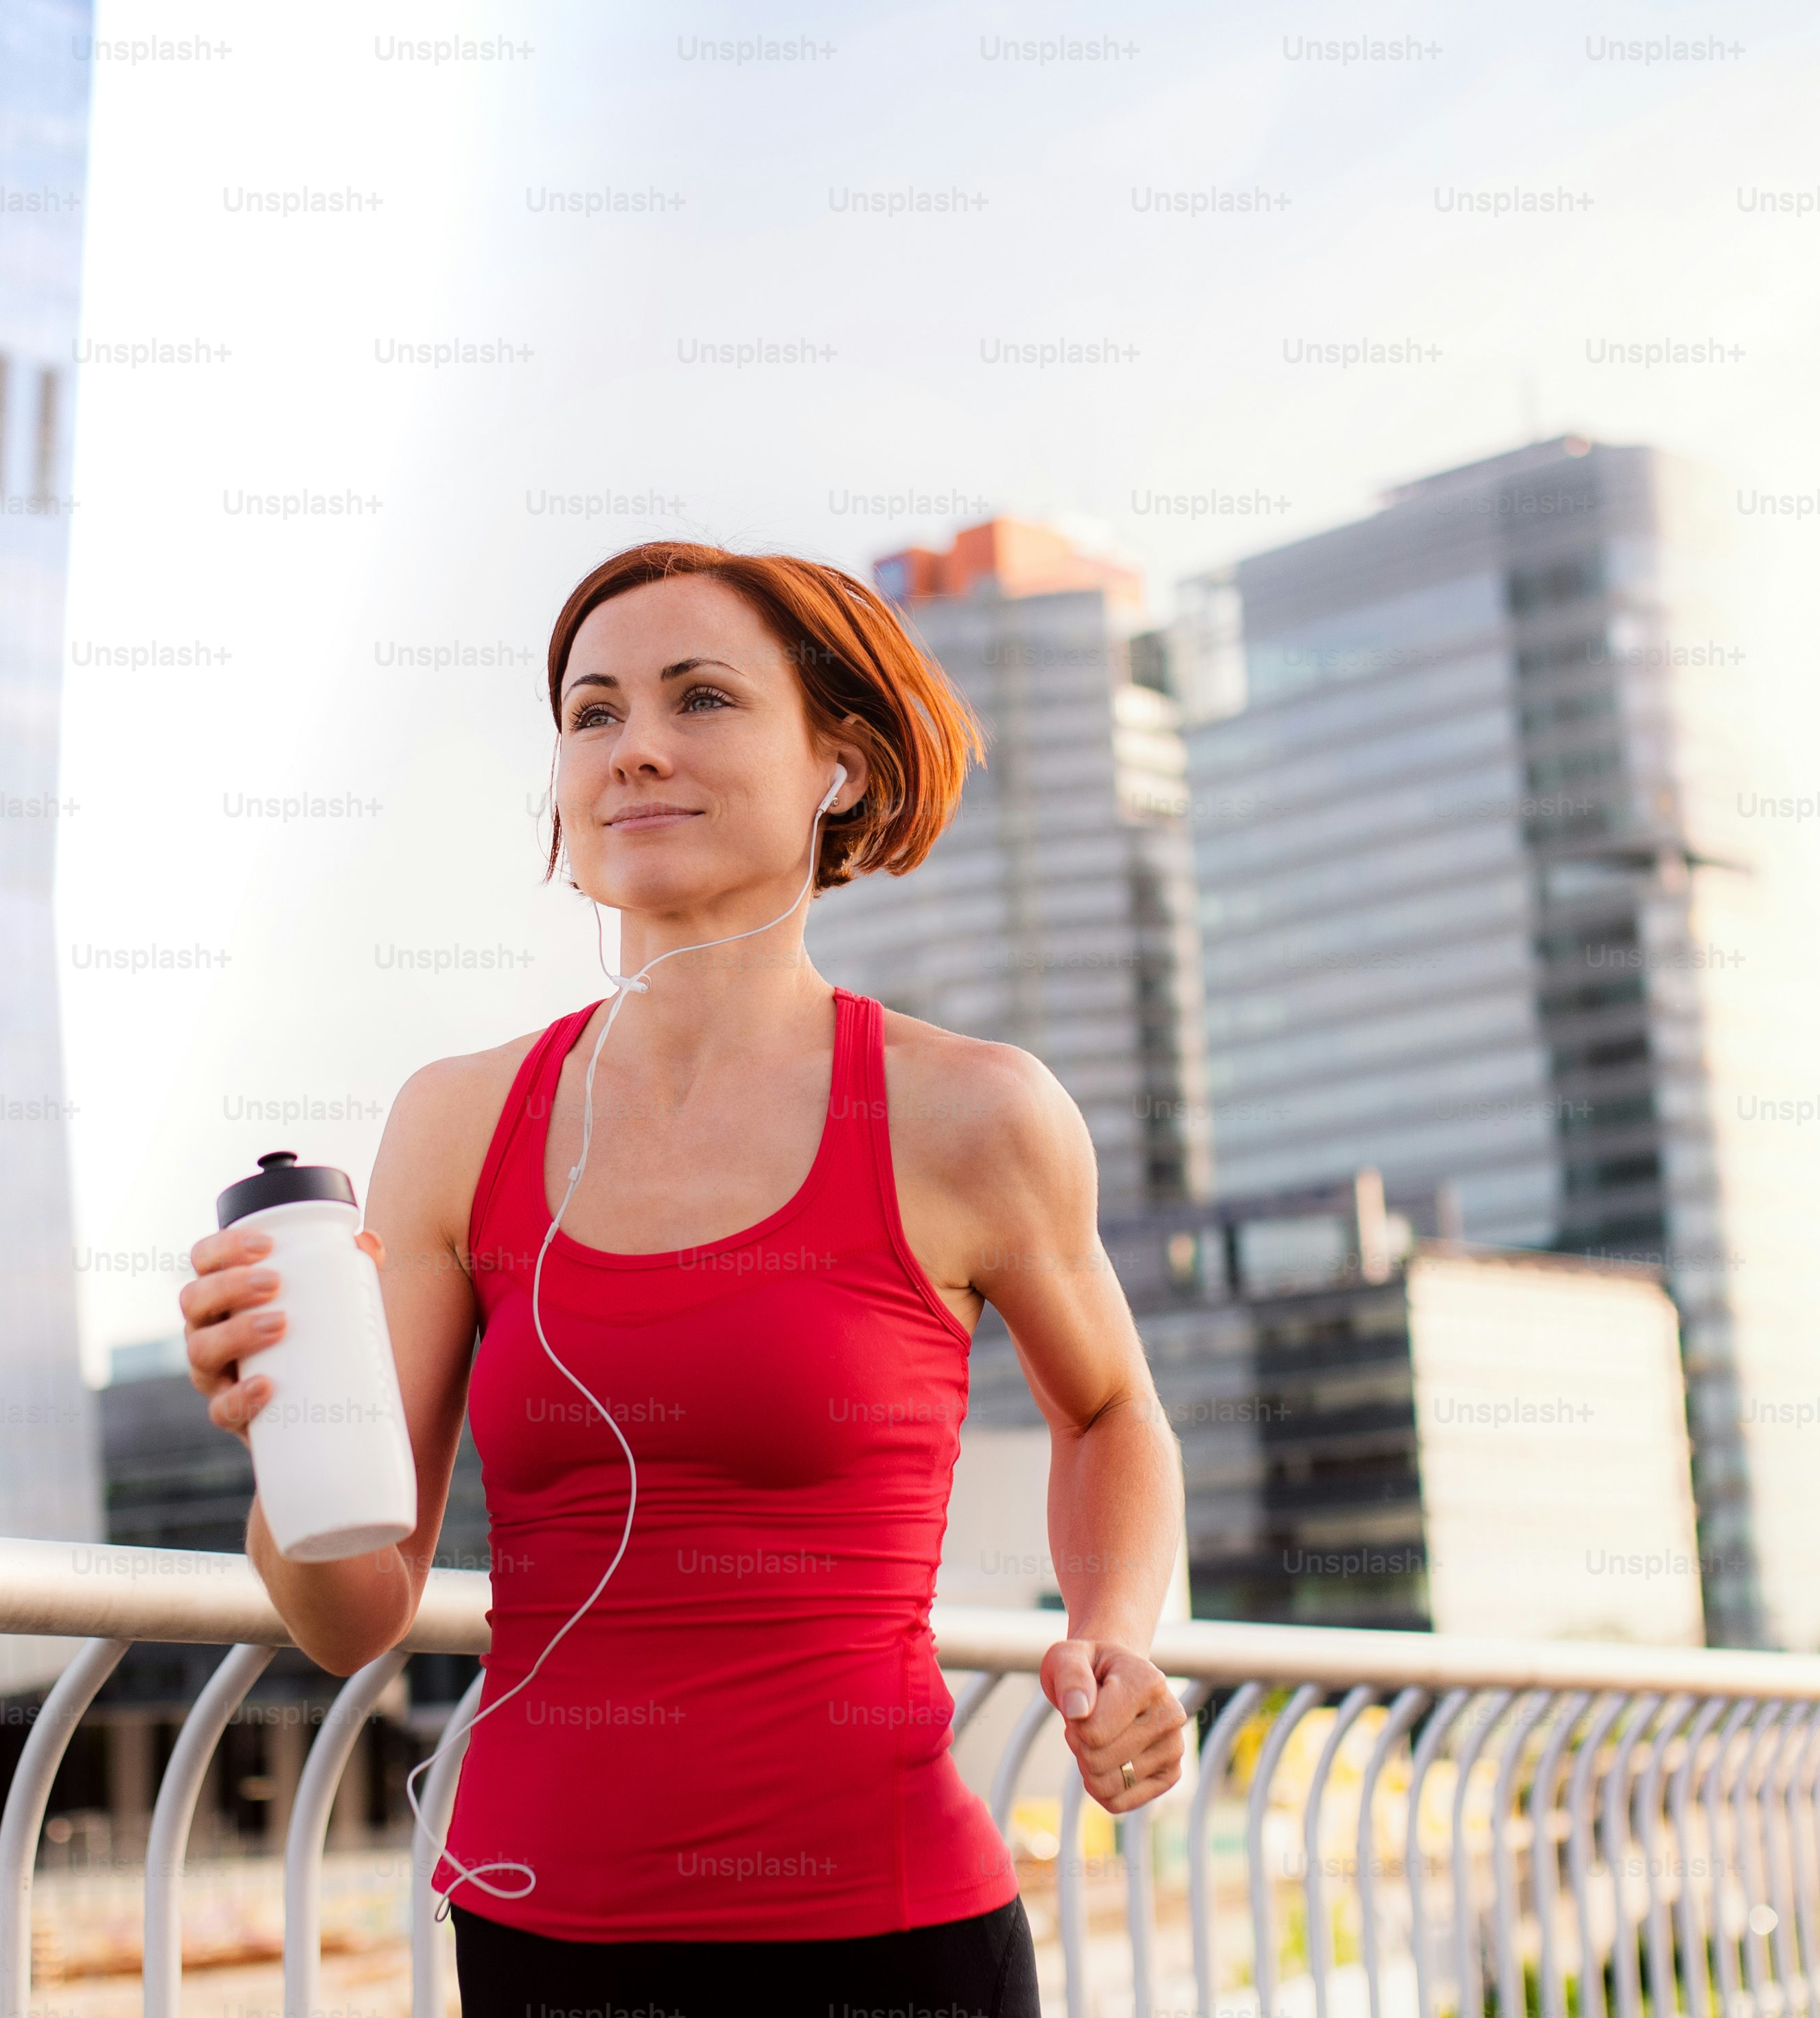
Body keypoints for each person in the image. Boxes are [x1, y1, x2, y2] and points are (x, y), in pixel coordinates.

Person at [178, 540, 1188, 2015]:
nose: (634, 746)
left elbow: (1111, 1415)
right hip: (537, 1943)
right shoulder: (458, 1122)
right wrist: (280, 1428)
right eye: (592, 714)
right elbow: (350, 1617)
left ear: (838, 764)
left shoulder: (972, 1114)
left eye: (699, 699)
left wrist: (1112, 1641)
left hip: (888, 1943)